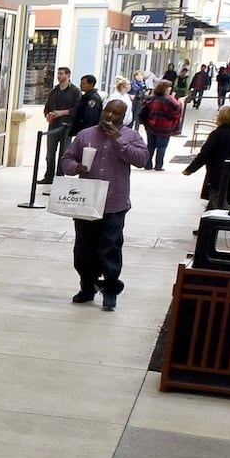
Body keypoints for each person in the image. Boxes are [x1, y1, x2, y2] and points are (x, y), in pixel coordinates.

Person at [61, 99, 149, 311]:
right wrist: (76, 167)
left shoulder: (131, 136)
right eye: (107, 111)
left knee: (110, 247)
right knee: (84, 249)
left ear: (123, 117)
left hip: (114, 203)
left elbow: (141, 160)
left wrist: (118, 140)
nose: (110, 116)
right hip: (87, 201)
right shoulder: (86, 135)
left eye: (115, 113)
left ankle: (110, 289)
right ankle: (87, 286)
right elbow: (66, 159)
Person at [181, 104, 230, 208]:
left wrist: (190, 169)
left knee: (219, 203)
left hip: (218, 174)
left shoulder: (217, 134)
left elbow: (204, 154)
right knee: (225, 201)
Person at [40, 67, 82, 185]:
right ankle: (49, 176)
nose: (58, 76)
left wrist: (62, 113)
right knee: (50, 153)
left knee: (64, 153)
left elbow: (77, 109)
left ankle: (60, 176)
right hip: (54, 126)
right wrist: (48, 115)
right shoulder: (54, 91)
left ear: (68, 75)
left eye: (61, 74)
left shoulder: (75, 91)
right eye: (58, 74)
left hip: (67, 126)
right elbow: (47, 107)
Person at [137, 80, 183, 171]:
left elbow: (143, 111)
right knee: (161, 147)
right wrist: (181, 102)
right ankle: (158, 165)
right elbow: (177, 109)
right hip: (164, 127)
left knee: (150, 145)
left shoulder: (150, 99)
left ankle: (147, 164)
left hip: (151, 125)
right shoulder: (169, 100)